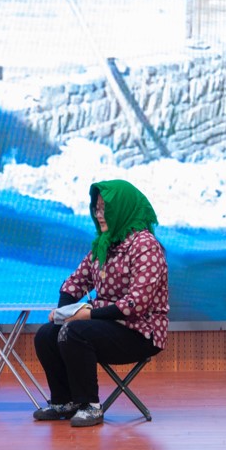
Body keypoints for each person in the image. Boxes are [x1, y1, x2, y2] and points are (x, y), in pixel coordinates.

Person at [33, 179, 169, 427]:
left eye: (106, 209)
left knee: (75, 332)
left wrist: (87, 315)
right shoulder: (103, 245)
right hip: (105, 325)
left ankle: (90, 406)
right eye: (96, 209)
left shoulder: (145, 245)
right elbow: (74, 283)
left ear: (121, 209)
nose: (99, 215)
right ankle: (65, 401)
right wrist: (63, 313)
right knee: (46, 335)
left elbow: (136, 304)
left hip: (140, 331)